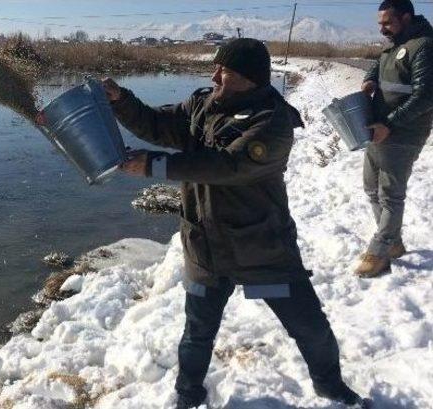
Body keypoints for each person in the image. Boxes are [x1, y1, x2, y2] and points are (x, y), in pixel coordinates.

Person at [103, 38, 367, 408]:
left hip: (260, 249)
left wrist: (153, 165)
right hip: (205, 245)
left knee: (308, 327)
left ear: (250, 79)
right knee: (197, 332)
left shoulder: (272, 122)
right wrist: (120, 100)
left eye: (223, 72)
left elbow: (227, 166)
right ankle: (188, 395)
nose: (214, 77)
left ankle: (331, 387)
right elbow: (156, 124)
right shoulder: (203, 104)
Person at [356, 0, 433, 278]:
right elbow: (377, 68)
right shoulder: (395, 43)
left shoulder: (424, 45)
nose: (382, 29)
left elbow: (425, 96)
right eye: (380, 23)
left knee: (390, 193)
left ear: (406, 17)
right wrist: (368, 80)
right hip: (379, 130)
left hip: (403, 132)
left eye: (387, 22)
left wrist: (390, 123)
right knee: (371, 188)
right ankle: (394, 242)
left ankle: (379, 251)